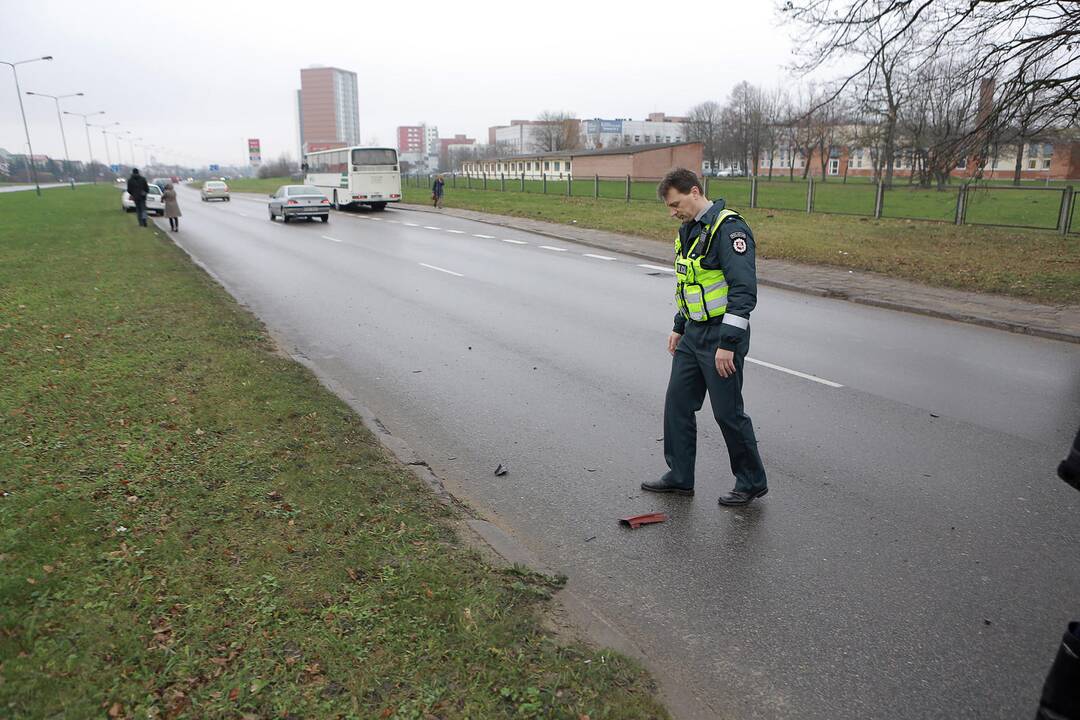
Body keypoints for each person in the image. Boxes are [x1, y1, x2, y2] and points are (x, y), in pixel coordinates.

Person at [641, 168, 768, 507]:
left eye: (676, 204)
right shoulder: (691, 231)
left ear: (695, 192)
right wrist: (679, 325)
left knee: (728, 412)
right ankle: (680, 476)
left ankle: (751, 481)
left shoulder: (729, 230)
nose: (673, 212)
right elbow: (690, 284)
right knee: (678, 403)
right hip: (694, 333)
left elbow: (743, 291)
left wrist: (728, 344)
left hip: (721, 336)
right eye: (670, 207)